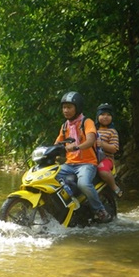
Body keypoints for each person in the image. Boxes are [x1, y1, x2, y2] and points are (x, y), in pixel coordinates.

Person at [54, 91, 112, 223]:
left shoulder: (87, 122)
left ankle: (100, 210)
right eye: (64, 107)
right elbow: (56, 144)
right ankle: (63, 208)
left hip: (87, 164)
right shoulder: (64, 126)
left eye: (69, 107)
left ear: (77, 107)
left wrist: (76, 147)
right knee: (51, 177)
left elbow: (91, 140)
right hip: (69, 164)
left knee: (84, 184)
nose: (66, 110)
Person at [95, 103, 123, 198]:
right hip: (92, 158)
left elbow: (114, 148)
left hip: (106, 159)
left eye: (108, 115)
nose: (105, 117)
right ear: (98, 116)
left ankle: (114, 187)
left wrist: (103, 145)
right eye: (102, 114)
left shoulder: (112, 132)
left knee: (102, 170)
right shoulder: (92, 130)